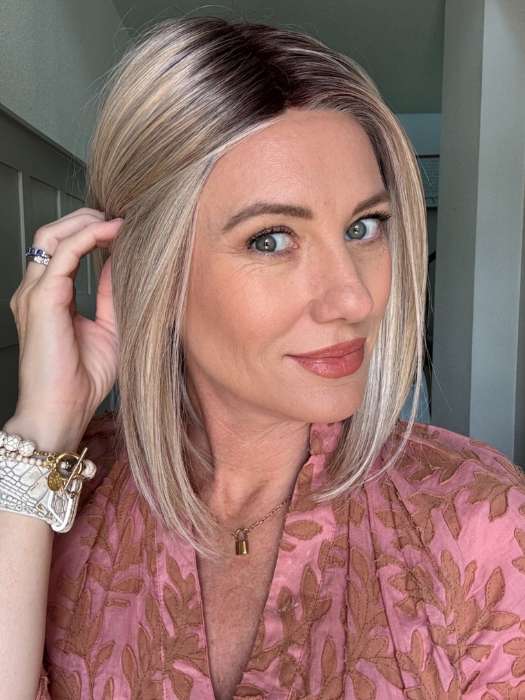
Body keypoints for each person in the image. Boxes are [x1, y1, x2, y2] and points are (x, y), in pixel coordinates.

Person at [1, 16, 524, 700]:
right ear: (147, 267)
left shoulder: (479, 519)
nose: (353, 297)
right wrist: (41, 434)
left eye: (363, 227)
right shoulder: (63, 498)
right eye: (271, 239)